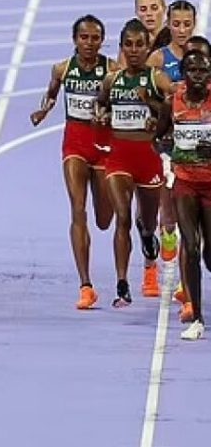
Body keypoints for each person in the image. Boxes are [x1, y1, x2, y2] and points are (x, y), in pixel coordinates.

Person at [30, 15, 116, 309]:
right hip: (75, 145)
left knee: (104, 220)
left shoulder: (112, 70)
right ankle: (86, 286)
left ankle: (108, 211)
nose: (89, 43)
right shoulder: (63, 69)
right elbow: (51, 94)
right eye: (84, 38)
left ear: (102, 41)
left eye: (95, 38)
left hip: (103, 147)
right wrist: (43, 111)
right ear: (75, 40)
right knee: (78, 209)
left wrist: (107, 115)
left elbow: (122, 101)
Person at [96, 18, 172, 306]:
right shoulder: (112, 80)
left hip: (148, 158)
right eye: (128, 44)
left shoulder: (157, 78)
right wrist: (101, 115)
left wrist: (151, 105)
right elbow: (101, 103)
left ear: (147, 47)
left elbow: (173, 110)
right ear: (122, 47)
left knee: (148, 223)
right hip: (118, 158)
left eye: (140, 44)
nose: (134, 50)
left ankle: (148, 235)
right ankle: (122, 283)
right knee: (123, 217)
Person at [156, 49, 211, 340]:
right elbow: (158, 138)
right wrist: (169, 153)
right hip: (185, 183)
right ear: (183, 73)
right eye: (193, 71)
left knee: (209, 254)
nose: (198, 76)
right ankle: (197, 318)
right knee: (190, 247)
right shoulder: (172, 102)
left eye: (203, 71)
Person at [147, 0, 197, 263]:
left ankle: (185, 279)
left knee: (191, 214)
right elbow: (143, 95)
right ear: (168, 24)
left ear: (194, 25)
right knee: (169, 216)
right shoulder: (157, 58)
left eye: (187, 24)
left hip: (195, 144)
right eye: (176, 24)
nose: (182, 30)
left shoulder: (201, 56)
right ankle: (166, 261)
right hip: (166, 143)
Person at [118, 0, 170, 68]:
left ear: (164, 9)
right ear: (136, 12)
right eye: (143, 9)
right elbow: (123, 70)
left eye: (154, 8)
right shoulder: (130, 38)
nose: (149, 13)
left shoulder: (173, 38)